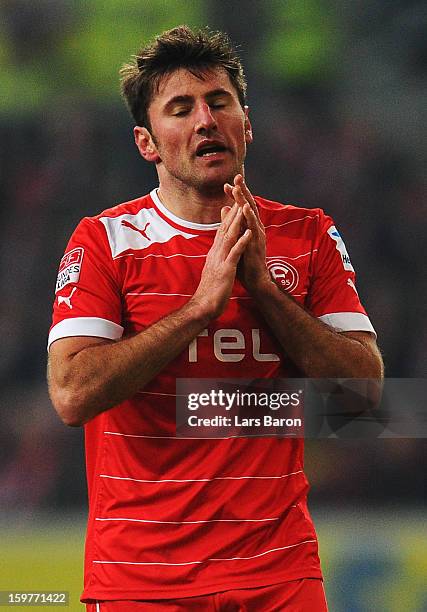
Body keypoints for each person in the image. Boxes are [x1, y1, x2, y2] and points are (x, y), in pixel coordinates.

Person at [47, 25, 383, 611]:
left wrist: (266, 293)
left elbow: (365, 393)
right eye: (181, 109)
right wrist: (199, 309)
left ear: (245, 125)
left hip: (280, 575)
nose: (205, 120)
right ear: (147, 143)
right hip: (142, 580)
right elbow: (72, 394)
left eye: (218, 102)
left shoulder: (307, 234)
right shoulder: (106, 240)